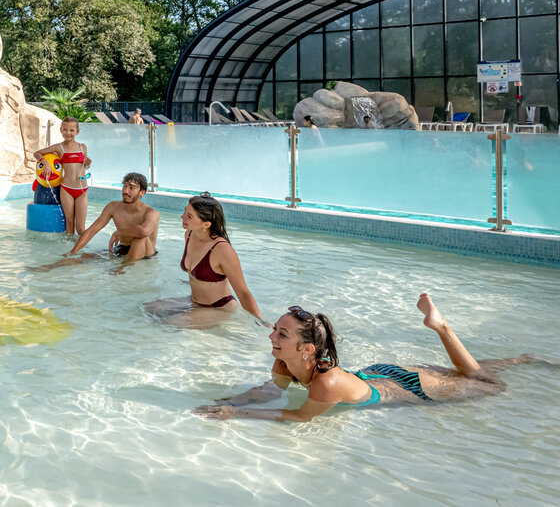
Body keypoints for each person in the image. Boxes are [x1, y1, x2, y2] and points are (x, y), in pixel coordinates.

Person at [194, 293, 540, 422]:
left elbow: (300, 416)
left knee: (488, 384)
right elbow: (270, 391)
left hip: (408, 388)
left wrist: (238, 413)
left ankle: (442, 327)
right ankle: (521, 359)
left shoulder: (326, 383)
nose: (271, 336)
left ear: (307, 349)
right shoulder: (284, 362)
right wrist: (227, 401)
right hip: (378, 374)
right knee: (465, 372)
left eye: (282, 334)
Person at [143, 193, 264, 328]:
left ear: (206, 224)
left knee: (169, 324)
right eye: (185, 211)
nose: (182, 217)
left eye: (189, 216)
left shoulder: (222, 249)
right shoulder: (189, 234)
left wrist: (260, 322)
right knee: (147, 308)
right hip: (194, 302)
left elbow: (243, 292)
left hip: (219, 308)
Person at [33, 173, 159, 272]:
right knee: (84, 257)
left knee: (140, 237)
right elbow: (92, 230)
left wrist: (119, 233)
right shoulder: (113, 207)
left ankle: (121, 270)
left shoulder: (151, 213)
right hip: (122, 250)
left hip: (146, 254)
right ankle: (50, 267)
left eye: (131, 188)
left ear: (142, 192)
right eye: (125, 186)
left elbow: (144, 231)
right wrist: (73, 251)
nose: (126, 191)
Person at [33, 117, 90, 236]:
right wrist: (45, 163)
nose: (68, 133)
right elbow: (37, 153)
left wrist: (88, 163)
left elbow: (85, 166)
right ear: (61, 130)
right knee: (69, 225)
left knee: (81, 228)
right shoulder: (59, 147)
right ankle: (69, 247)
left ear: (77, 131)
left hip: (82, 190)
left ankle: (82, 247)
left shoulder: (82, 147)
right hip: (67, 189)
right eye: (65, 130)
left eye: (72, 130)